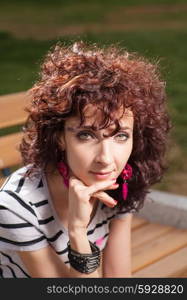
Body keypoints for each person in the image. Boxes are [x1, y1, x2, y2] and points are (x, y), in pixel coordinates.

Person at [0, 41, 170, 278]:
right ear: (59, 137)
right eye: (86, 135)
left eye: (121, 136)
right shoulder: (17, 206)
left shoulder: (120, 183)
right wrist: (78, 230)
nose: (106, 159)